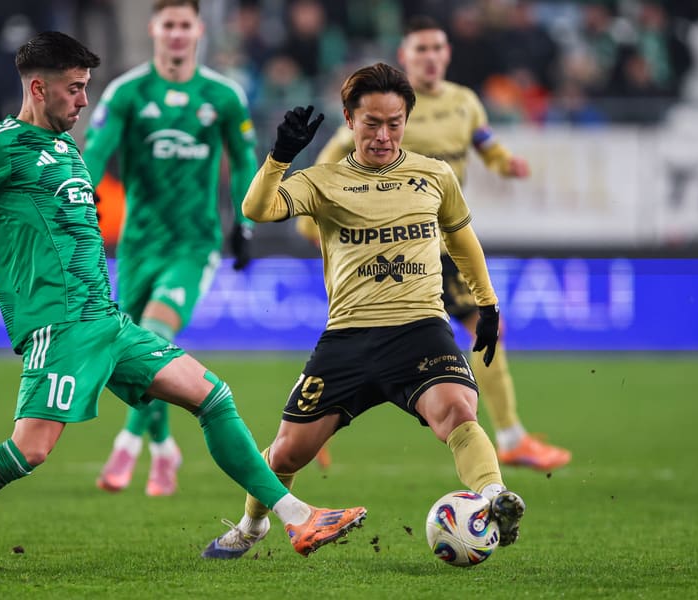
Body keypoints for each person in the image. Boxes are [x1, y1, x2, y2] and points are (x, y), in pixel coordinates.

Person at [0, 31, 366, 574]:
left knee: (212, 396)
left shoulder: (66, 150)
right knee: (29, 451)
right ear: (38, 88)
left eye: (86, 87)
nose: (83, 100)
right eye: (74, 88)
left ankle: (295, 517)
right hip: (60, 328)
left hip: (107, 321)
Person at [201, 62, 525, 560]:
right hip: (349, 337)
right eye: (372, 123)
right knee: (287, 452)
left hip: (420, 329)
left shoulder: (434, 175)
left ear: (406, 120)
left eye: (395, 123)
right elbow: (256, 209)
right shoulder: (324, 180)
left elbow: (462, 240)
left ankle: (494, 498)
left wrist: (488, 303)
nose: (383, 135)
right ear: (350, 119)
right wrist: (280, 157)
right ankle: (252, 525)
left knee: (459, 413)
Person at [301, 16, 571, 472]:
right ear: (404, 55)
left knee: (476, 332)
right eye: (420, 49)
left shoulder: (465, 103)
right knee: (368, 338)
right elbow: (326, 170)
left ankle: (509, 436)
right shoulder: (387, 111)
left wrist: (508, 164)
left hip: (443, 245)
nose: (430, 57)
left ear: (447, 53)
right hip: (396, 247)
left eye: (437, 48)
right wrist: (316, 228)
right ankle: (508, 436)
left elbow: (487, 148)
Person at [82, 0, 258, 497]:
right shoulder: (127, 92)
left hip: (193, 243)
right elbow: (95, 152)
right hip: (138, 245)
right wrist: (81, 199)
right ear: (153, 29)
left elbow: (244, 161)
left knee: (155, 331)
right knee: (134, 355)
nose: (177, 33)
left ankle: (126, 445)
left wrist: (244, 222)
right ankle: (164, 447)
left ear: (198, 30)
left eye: (185, 25)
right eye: (169, 25)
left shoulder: (222, 96)